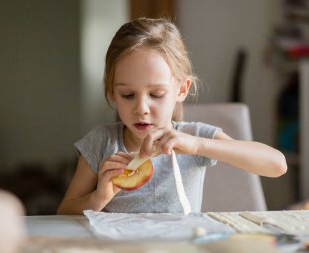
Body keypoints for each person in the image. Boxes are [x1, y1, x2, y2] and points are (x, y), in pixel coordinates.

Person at [57, 17, 287, 215]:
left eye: (156, 94)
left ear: (181, 89)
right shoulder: (102, 142)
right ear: (111, 92)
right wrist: (99, 197)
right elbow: (64, 212)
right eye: (128, 94)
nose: (142, 108)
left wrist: (198, 145)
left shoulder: (192, 137)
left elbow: (277, 165)